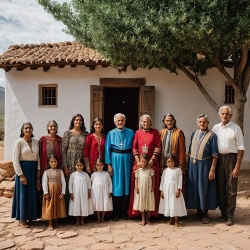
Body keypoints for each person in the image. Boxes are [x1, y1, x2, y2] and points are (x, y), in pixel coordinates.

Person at [212, 106, 245, 226]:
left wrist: (237, 166)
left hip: (231, 158)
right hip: (218, 159)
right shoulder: (215, 128)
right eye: (222, 114)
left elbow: (241, 148)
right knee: (220, 188)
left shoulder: (236, 128)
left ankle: (230, 216)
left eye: (227, 114)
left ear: (230, 116)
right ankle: (223, 214)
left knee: (231, 189)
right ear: (219, 115)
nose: (224, 116)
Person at [186, 114, 219, 224]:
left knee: (204, 188)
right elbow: (190, 150)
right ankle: (198, 212)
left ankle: (205, 213)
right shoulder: (194, 134)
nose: (202, 124)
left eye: (204, 122)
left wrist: (212, 169)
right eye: (200, 122)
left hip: (205, 165)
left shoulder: (212, 136)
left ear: (208, 123)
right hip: (193, 164)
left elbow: (215, 154)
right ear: (197, 123)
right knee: (194, 187)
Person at [128, 114, 161, 218]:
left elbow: (158, 146)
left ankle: (150, 213)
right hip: (139, 164)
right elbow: (134, 148)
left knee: (151, 188)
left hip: (152, 163)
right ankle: (138, 212)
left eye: (147, 122)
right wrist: (138, 161)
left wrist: (152, 160)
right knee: (139, 188)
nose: (145, 123)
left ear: (150, 123)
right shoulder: (137, 133)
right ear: (141, 123)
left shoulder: (155, 132)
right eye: (144, 122)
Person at [105, 113, 134, 221]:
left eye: (122, 120)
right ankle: (116, 212)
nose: (120, 122)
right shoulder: (110, 133)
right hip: (115, 160)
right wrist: (108, 165)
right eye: (118, 121)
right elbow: (107, 149)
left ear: (125, 121)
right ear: (115, 122)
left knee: (126, 186)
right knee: (117, 187)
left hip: (127, 160)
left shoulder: (131, 132)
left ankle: (124, 212)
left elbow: (134, 147)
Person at [11, 122, 40, 228]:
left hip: (33, 170)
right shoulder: (19, 142)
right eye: (26, 128)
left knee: (32, 193)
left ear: (32, 130)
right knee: (23, 194)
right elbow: (15, 160)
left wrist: (38, 170)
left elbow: (38, 157)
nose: (28, 130)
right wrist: (20, 175)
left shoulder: (36, 142)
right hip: (23, 170)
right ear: (22, 130)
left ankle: (31, 216)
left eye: (30, 128)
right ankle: (22, 218)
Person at [159, 114, 187, 196]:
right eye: (167, 120)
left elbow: (182, 150)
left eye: (171, 120)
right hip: (163, 162)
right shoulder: (161, 132)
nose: (169, 122)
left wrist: (181, 165)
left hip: (175, 163)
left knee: (174, 184)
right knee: (164, 182)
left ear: (174, 121)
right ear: (164, 121)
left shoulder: (179, 132)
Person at [158, 154, 187, 227]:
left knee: (175, 203)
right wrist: (161, 190)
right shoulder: (165, 170)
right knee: (169, 203)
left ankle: (176, 220)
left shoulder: (178, 170)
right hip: (166, 190)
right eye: (168, 162)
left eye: (171, 161)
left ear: (175, 162)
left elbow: (180, 180)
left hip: (174, 190)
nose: (170, 163)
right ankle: (171, 219)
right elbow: (162, 181)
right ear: (166, 163)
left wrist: (178, 189)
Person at [42, 154, 66, 230]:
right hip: (50, 192)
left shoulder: (60, 171)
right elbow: (44, 182)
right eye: (51, 161)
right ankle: (50, 223)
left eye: (54, 161)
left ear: (57, 162)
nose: (53, 163)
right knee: (50, 207)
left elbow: (63, 182)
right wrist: (46, 193)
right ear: (49, 163)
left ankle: (56, 222)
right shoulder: (46, 172)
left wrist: (63, 192)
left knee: (57, 207)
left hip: (58, 192)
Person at [68, 158, 93, 225]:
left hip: (84, 193)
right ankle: (77, 220)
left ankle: (82, 220)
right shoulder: (72, 175)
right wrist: (71, 193)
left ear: (83, 166)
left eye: (81, 165)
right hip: (75, 193)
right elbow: (70, 185)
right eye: (78, 165)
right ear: (75, 166)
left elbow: (89, 184)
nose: (79, 167)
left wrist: (89, 192)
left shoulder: (85, 175)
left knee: (84, 205)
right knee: (76, 206)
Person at [133, 154, 155, 226]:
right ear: (140, 161)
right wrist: (136, 188)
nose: (143, 163)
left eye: (145, 162)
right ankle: (143, 219)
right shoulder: (138, 171)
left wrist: (152, 187)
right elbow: (136, 179)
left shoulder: (150, 170)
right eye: (142, 161)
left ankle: (148, 219)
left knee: (149, 204)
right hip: (141, 190)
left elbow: (153, 179)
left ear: (147, 162)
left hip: (149, 189)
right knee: (142, 203)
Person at [91, 158, 113, 223]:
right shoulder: (93, 174)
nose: (99, 166)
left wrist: (110, 191)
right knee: (98, 205)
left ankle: (103, 218)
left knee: (104, 205)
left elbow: (110, 183)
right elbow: (92, 183)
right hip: (96, 193)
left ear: (103, 166)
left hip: (105, 192)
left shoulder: (106, 174)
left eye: (101, 165)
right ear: (95, 166)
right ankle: (98, 219)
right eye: (98, 165)